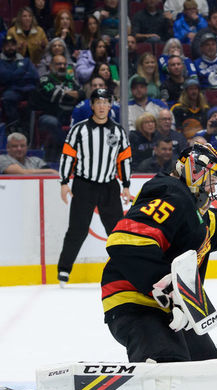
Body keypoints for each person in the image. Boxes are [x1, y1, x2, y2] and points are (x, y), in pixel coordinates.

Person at [101, 143, 217, 364]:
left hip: (171, 309)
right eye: (211, 180)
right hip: (134, 303)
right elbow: (125, 242)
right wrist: (170, 291)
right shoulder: (171, 194)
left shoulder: (198, 215)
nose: (211, 188)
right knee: (168, 364)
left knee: (205, 364)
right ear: (195, 170)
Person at [57, 88, 132, 286]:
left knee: (117, 231)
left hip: (109, 186)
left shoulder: (118, 131)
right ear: (92, 106)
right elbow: (67, 155)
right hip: (84, 185)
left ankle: (126, 269)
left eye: (105, 102)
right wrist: (64, 182)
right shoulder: (79, 129)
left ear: (110, 105)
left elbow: (124, 159)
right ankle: (64, 270)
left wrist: (126, 185)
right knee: (77, 230)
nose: (101, 106)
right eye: (97, 102)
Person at [32, 54, 85, 164]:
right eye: (58, 64)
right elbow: (53, 95)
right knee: (52, 122)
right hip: (48, 116)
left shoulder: (70, 81)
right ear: (51, 66)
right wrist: (71, 95)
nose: (62, 66)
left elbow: (82, 94)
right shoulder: (45, 79)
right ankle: (67, 148)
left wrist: (65, 94)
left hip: (68, 117)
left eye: (64, 64)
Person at [0, 35, 39, 133]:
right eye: (7, 45)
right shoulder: (1, 62)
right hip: (11, 90)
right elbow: (5, 77)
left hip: (27, 89)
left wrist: (15, 75)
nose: (10, 48)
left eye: (12, 45)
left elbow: (34, 76)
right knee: (8, 98)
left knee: (38, 96)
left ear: (16, 47)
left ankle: (29, 128)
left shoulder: (25, 60)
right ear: (3, 48)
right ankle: (14, 126)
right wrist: (22, 71)